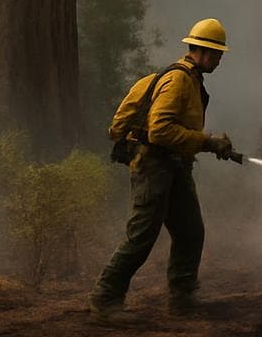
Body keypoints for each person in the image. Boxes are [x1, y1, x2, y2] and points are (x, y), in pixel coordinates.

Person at [89, 18, 236, 322]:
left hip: (175, 165)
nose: (220, 60)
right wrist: (207, 143)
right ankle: (105, 301)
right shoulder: (179, 80)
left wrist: (203, 145)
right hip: (153, 164)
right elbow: (159, 131)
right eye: (218, 54)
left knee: (190, 231)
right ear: (203, 51)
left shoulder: (191, 79)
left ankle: (182, 300)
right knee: (142, 234)